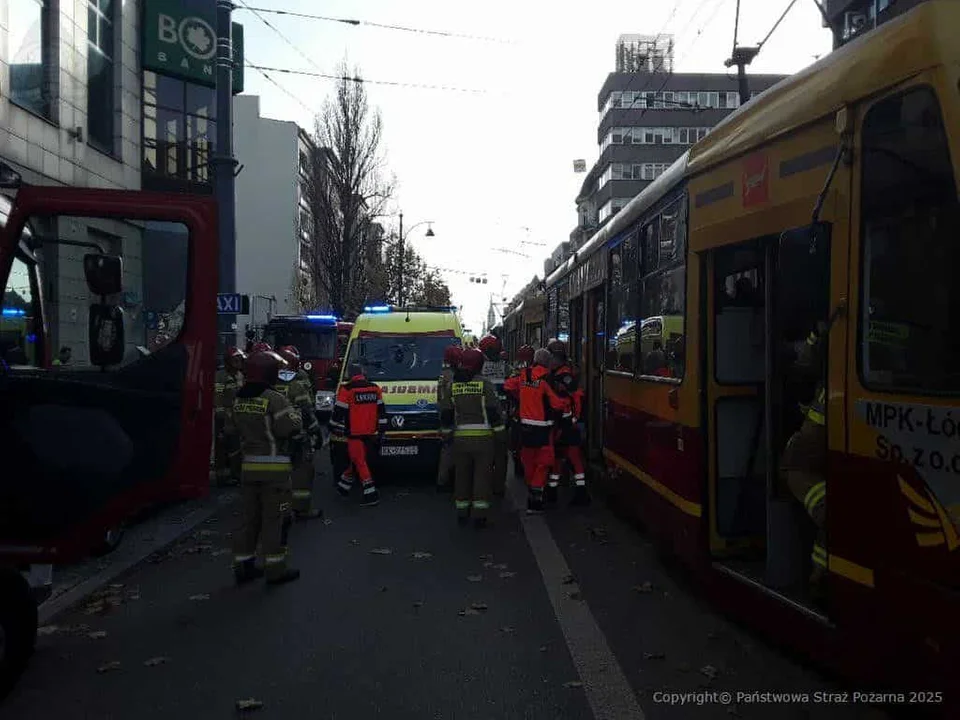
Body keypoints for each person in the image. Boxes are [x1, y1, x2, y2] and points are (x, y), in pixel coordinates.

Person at [227, 349, 302, 585]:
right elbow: (287, 429)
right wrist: (296, 417)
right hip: (274, 473)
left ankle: (244, 565)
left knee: (250, 520)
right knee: (274, 521)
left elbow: (230, 430)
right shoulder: (273, 398)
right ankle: (275, 570)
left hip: (248, 470)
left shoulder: (239, 398)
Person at [780, 319, 831, 598]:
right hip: (799, 465)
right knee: (833, 516)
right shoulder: (825, 387)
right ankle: (818, 582)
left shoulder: (829, 385)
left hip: (806, 462)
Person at [439, 347, 501, 527]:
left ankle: (462, 512)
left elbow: (447, 413)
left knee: (462, 476)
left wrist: (446, 435)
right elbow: (494, 412)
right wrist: (500, 435)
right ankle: (479, 515)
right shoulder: (485, 384)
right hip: (483, 439)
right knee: (482, 477)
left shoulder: (453, 385)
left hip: (460, 439)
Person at [504, 347, 567, 513]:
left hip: (525, 428)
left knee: (528, 461)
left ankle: (532, 490)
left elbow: (508, 386)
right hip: (543, 429)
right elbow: (556, 403)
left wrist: (522, 398)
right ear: (547, 362)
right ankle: (535, 498)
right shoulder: (548, 378)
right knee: (544, 462)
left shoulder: (523, 375)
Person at [276, 345, 322, 520]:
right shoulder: (295, 386)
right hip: (298, 437)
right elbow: (307, 413)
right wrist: (316, 432)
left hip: (275, 440)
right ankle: (301, 509)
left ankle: (280, 507)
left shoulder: (267, 386)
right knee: (303, 472)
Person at [331, 363, 386, 507]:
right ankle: (343, 487)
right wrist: (382, 431)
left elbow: (338, 413)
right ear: (363, 373)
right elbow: (382, 412)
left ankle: (371, 493)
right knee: (356, 461)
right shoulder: (375, 388)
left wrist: (331, 426)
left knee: (359, 462)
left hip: (354, 434)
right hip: (371, 433)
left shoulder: (347, 389)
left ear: (350, 375)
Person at [546, 339, 589, 506]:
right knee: (563, 457)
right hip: (565, 424)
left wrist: (571, 421)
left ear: (556, 358)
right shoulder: (560, 374)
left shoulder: (564, 376)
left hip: (567, 424)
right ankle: (554, 490)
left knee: (570, 457)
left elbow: (569, 400)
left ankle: (579, 493)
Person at [479, 334, 509, 497]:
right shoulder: (506, 367)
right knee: (500, 455)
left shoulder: (478, 367)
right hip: (502, 418)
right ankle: (499, 486)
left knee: (484, 455)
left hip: (483, 418)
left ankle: (484, 484)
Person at [213, 346, 245, 486]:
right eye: (235, 359)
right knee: (222, 446)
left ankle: (234, 474)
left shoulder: (239, 376)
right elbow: (218, 397)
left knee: (236, 446)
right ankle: (222, 476)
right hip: (224, 417)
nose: (238, 362)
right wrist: (221, 419)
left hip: (237, 417)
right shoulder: (221, 376)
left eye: (240, 359)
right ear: (228, 361)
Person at [505, 344, 535, 479]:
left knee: (517, 442)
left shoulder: (516, 371)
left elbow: (509, 387)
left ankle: (519, 465)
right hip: (533, 413)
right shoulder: (538, 371)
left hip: (519, 412)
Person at [436, 343, 463, 493]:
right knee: (453, 450)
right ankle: (454, 481)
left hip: (445, 416)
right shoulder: (452, 377)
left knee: (446, 451)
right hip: (452, 416)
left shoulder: (443, 374)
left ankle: (442, 480)